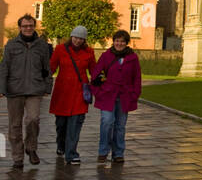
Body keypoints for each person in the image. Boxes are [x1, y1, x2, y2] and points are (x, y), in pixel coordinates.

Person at [0, 14, 52, 170]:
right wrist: (0, 88)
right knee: (15, 125)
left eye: (31, 26)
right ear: (20, 27)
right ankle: (18, 157)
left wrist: (48, 87)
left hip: (35, 89)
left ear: (34, 27)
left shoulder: (42, 46)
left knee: (33, 119)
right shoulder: (11, 45)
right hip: (15, 90)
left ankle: (31, 147)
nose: (28, 28)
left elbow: (47, 68)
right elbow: (4, 67)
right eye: (25, 26)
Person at [90, 30, 141, 164]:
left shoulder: (133, 58)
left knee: (120, 126)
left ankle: (118, 153)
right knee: (107, 122)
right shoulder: (106, 56)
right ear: (113, 42)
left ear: (126, 43)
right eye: (117, 41)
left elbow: (137, 78)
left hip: (124, 96)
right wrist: (98, 92)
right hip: (107, 95)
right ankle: (103, 151)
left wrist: (135, 94)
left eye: (122, 41)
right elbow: (95, 75)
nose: (119, 43)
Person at [48, 25, 95, 165]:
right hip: (62, 93)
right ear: (71, 36)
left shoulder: (89, 52)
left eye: (81, 38)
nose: (78, 40)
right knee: (61, 125)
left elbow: (94, 71)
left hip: (79, 93)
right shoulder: (60, 49)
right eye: (75, 37)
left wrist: (102, 82)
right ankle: (61, 145)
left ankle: (72, 153)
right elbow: (51, 68)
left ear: (84, 40)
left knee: (75, 125)